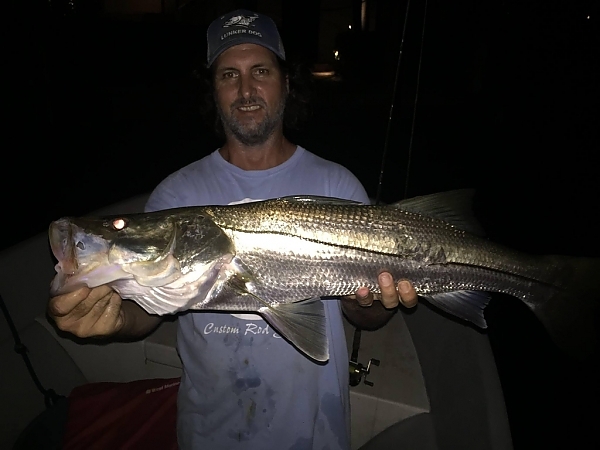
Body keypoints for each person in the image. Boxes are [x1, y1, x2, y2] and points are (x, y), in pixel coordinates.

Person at [48, 9, 418, 450]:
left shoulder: (336, 184)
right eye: (229, 75)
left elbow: (366, 314)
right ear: (214, 90)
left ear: (285, 82)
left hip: (316, 432)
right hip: (210, 433)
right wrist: (109, 320)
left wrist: (375, 303)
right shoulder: (176, 192)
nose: (246, 90)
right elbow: (147, 309)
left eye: (260, 71)